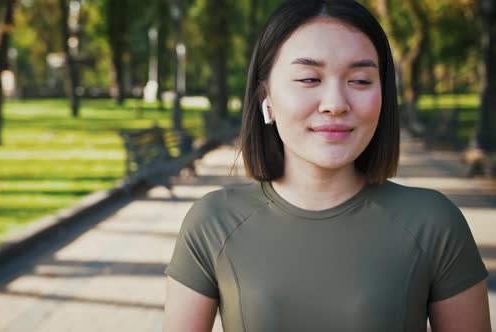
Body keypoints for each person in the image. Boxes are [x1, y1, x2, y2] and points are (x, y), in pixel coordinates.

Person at [163, 0, 491, 331]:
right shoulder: (212, 223)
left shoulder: (434, 222)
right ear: (266, 96)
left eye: (361, 80)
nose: (335, 104)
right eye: (308, 79)